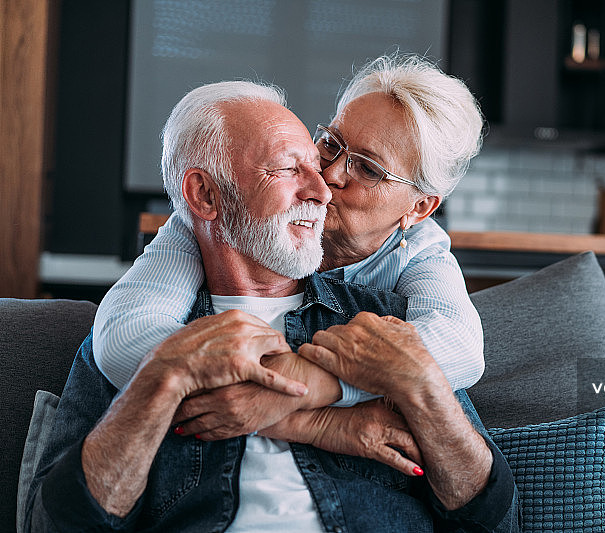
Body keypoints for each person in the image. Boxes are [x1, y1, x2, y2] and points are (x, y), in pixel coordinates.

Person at [23, 80, 518, 532]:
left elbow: (493, 518)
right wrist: (169, 380)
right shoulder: (147, 325)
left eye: (366, 168)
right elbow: (58, 522)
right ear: (205, 194)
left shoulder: (390, 324)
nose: (325, 184)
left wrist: (390, 386)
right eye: (304, 159)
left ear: (418, 208)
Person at [93, 54, 486, 417]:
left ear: (418, 209)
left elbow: (461, 351)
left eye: (367, 169)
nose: (328, 176)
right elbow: (125, 339)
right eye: (331, 144)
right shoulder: (219, 221)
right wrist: (299, 417)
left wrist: (317, 384)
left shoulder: (420, 252)